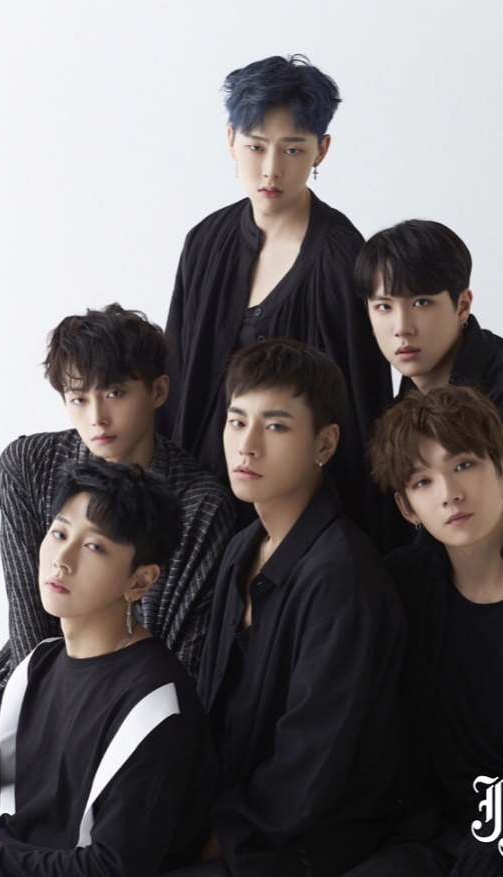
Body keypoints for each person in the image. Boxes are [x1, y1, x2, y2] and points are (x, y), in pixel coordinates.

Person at [167, 340, 405, 877]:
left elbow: (312, 761)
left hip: (300, 844)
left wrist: (214, 838)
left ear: (325, 443)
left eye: (275, 426)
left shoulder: (343, 575)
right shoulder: (242, 546)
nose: (246, 446)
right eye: (237, 422)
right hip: (230, 817)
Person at [157, 54, 392, 545]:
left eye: (292, 149)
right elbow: (176, 382)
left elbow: (360, 408)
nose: (271, 169)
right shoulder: (206, 242)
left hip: (298, 519)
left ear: (321, 150)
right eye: (256, 146)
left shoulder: (342, 258)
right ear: (230, 140)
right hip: (200, 505)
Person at [0, 304, 234, 718]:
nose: (97, 419)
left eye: (114, 394)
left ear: (158, 391)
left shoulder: (200, 503)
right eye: (78, 398)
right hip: (31, 680)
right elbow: (29, 619)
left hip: (137, 700)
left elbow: (180, 653)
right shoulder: (29, 465)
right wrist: (37, 713)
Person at [0, 460, 218, 876]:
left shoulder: (157, 706)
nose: (62, 559)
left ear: (140, 581)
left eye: (94, 547)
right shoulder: (38, 666)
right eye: (60, 534)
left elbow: (110, 868)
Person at [349, 385, 503, 877]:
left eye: (463, 465)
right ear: (406, 508)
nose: (449, 494)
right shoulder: (402, 585)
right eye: (422, 481)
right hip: (436, 836)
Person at [355, 219, 503, 534]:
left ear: (462, 305)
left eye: (421, 303)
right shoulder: (402, 404)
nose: (402, 328)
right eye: (384, 307)